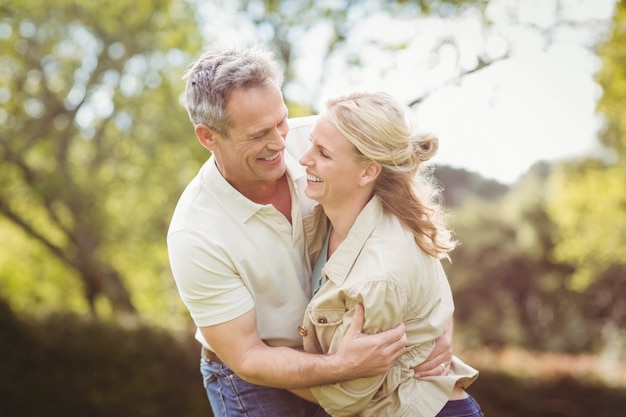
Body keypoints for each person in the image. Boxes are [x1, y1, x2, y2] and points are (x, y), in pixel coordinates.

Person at [167, 44, 453, 417]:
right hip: (257, 375)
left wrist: (438, 324)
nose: (281, 142)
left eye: (281, 120)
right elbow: (247, 355)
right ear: (208, 137)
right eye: (257, 135)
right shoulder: (195, 233)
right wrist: (341, 368)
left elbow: (405, 213)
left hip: (344, 354)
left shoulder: (324, 142)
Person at [294, 91, 482, 417]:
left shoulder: (378, 276)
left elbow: (345, 397)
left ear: (368, 171)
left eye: (323, 153)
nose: (303, 159)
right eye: (311, 143)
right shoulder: (334, 216)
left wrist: (249, 362)